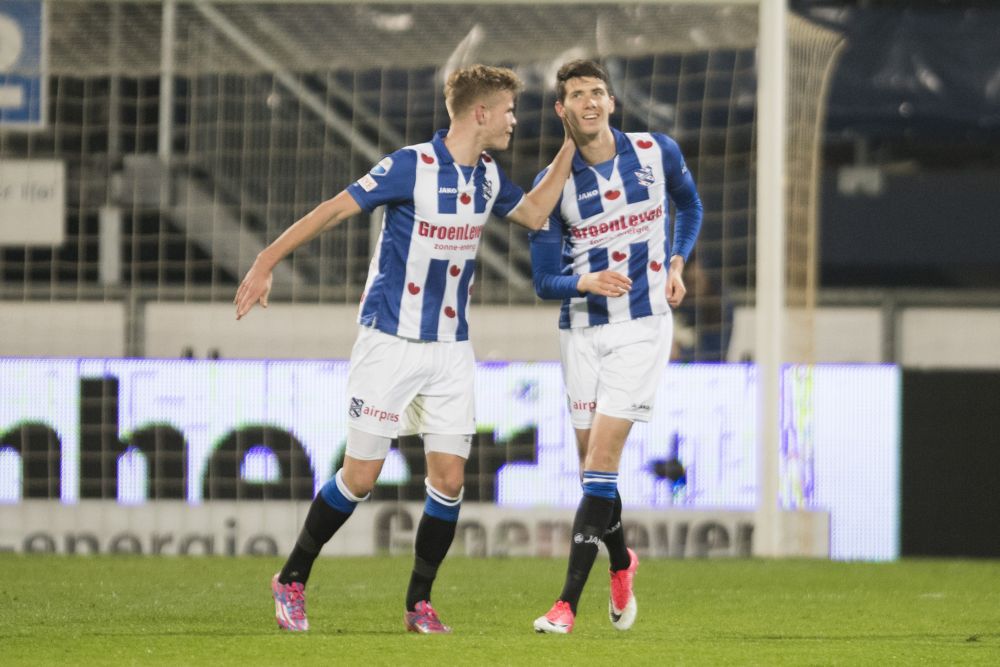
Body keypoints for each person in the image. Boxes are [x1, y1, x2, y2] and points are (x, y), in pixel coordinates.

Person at [234, 64, 578, 634]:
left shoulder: (488, 177)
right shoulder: (409, 165)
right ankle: (291, 578)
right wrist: (266, 260)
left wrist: (569, 146)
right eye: (509, 111)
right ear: (481, 114)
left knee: (448, 481)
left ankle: (418, 604)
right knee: (360, 478)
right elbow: (334, 210)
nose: (516, 121)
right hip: (388, 343)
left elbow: (537, 213)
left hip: (450, 350)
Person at [528, 59, 703, 634]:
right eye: (577, 94)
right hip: (580, 331)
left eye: (597, 92)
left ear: (611, 101)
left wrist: (676, 260)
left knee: (602, 465)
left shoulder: (656, 152)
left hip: (643, 327)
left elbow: (691, 205)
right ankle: (622, 559)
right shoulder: (551, 188)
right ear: (562, 109)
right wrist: (585, 281)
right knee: (591, 474)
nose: (589, 102)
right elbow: (543, 280)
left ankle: (565, 605)